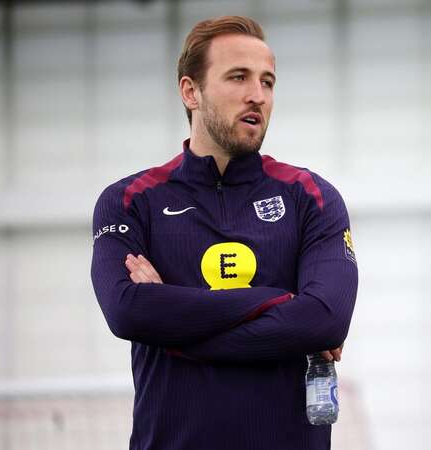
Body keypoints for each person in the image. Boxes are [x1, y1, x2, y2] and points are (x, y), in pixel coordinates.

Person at [91, 16, 358, 450]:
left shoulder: (311, 196)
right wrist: (275, 300)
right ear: (190, 91)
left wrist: (173, 325)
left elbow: (325, 319)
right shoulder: (129, 200)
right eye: (239, 77)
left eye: (268, 82)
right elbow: (127, 312)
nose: (258, 95)